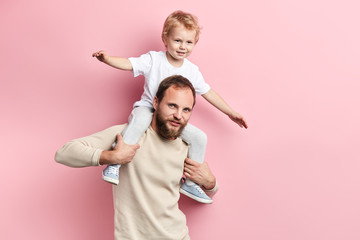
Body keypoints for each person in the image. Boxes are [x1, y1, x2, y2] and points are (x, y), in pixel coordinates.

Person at [92, 10, 247, 203]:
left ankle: (190, 183)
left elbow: (208, 92)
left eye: (189, 42)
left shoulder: (192, 71)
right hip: (149, 109)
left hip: (172, 118)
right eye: (178, 41)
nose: (183, 47)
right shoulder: (154, 59)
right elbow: (129, 64)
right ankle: (115, 163)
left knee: (200, 137)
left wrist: (230, 112)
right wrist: (107, 59)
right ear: (165, 39)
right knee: (140, 119)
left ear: (195, 43)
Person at [55, 75, 219, 240]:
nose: (178, 115)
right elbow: (64, 153)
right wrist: (111, 156)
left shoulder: (187, 146)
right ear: (156, 103)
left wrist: (210, 183)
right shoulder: (127, 137)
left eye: (186, 110)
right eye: (172, 105)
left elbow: (205, 192)